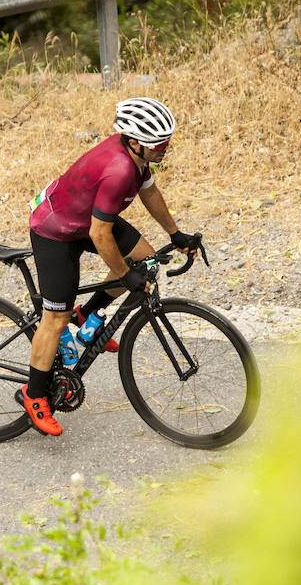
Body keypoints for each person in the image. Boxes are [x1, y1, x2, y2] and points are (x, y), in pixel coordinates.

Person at [15, 97, 201, 436]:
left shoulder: (138, 158)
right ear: (134, 142)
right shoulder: (118, 171)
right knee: (55, 317)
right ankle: (35, 394)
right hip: (55, 229)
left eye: (168, 141)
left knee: (144, 262)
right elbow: (100, 236)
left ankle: (88, 316)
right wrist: (123, 275)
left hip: (85, 217)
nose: (166, 148)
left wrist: (176, 235)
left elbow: (150, 193)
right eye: (161, 143)